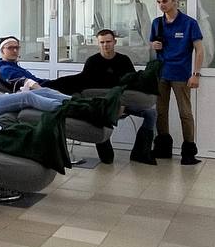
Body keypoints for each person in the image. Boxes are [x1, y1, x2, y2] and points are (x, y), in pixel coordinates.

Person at [67, 29, 158, 166]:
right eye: (102, 42)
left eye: (108, 42)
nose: (105, 45)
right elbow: (84, 88)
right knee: (107, 160)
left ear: (114, 42)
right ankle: (103, 139)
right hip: (102, 105)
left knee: (151, 113)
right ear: (98, 43)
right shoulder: (92, 62)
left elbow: (132, 84)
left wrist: (122, 103)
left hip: (123, 103)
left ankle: (141, 153)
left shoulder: (124, 60)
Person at [149, 0, 204, 165]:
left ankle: (189, 151)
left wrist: (196, 74)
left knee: (185, 113)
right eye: (159, 2)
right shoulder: (157, 23)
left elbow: (199, 50)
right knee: (160, 112)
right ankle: (163, 148)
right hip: (161, 74)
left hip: (181, 75)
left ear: (175, 1)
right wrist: (153, 45)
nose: (161, 5)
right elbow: (151, 44)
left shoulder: (189, 23)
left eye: (165, 1)